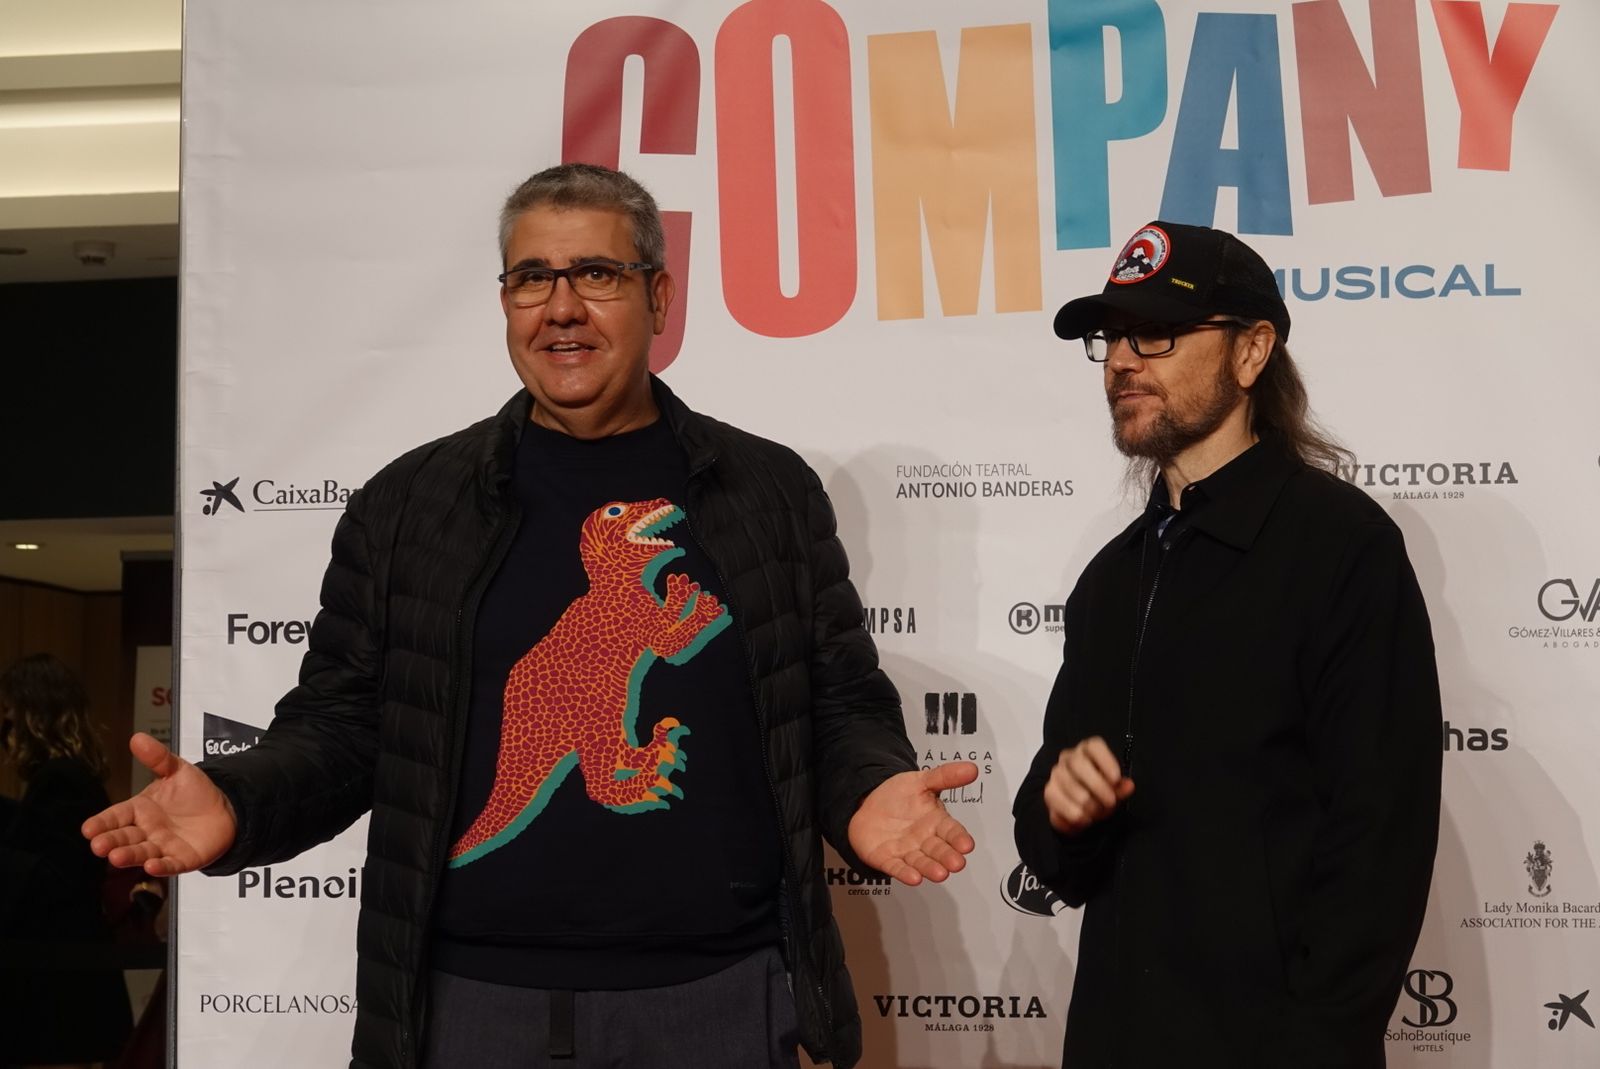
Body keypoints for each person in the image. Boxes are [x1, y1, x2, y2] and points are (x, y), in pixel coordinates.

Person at [83, 162, 976, 1069]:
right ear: (506, 300)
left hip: (713, 993)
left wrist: (867, 789)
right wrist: (239, 799)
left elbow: (835, 701)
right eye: (532, 278)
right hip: (468, 1003)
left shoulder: (768, 492)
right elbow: (343, 727)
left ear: (659, 297)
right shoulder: (411, 504)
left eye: (596, 273)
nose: (561, 307)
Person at [1012, 221, 1442, 1067]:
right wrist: (1064, 812)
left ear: (1251, 352)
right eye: (1111, 337)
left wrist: (1320, 1046)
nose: (1122, 360)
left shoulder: (1342, 549)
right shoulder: (1111, 580)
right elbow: (1053, 851)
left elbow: (1380, 843)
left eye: (1157, 333)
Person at [1, 653, 134, 1069]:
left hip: (59, 991)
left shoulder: (60, 779)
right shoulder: (66, 777)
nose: (5, 725)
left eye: (9, 712)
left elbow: (56, 877)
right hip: (65, 986)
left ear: (33, 715)